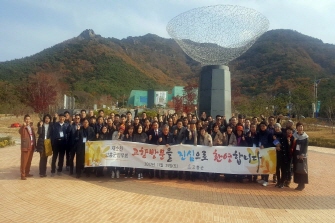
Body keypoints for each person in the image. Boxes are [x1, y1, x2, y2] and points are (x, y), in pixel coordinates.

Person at [19, 114, 36, 180]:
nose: (27, 120)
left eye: (29, 119)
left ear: (30, 119)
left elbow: (33, 136)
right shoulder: (23, 127)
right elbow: (20, 132)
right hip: (25, 147)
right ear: (24, 120)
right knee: (24, 161)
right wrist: (23, 126)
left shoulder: (31, 127)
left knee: (29, 160)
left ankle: (27, 172)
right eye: (26, 119)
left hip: (31, 146)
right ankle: (23, 174)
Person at [257, 121, 274, 186]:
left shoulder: (269, 133)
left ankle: (266, 180)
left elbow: (271, 143)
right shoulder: (259, 133)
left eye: (263, 126)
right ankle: (262, 178)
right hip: (260, 151)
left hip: (267, 151)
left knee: (266, 165)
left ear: (266, 127)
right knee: (261, 164)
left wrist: (265, 146)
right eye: (261, 126)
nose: (262, 127)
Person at [293, 122, 309, 191]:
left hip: (302, 156)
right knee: (297, 169)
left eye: (301, 126)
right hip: (296, 155)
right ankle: (298, 183)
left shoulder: (305, 137)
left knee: (302, 169)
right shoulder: (294, 136)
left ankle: (302, 184)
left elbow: (305, 147)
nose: (300, 128)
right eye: (299, 126)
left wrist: (302, 155)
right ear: (296, 128)